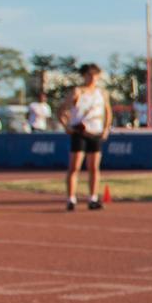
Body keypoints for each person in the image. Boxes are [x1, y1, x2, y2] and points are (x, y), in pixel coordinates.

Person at [63, 63, 112, 211]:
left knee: (94, 167)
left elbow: (108, 111)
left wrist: (106, 128)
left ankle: (93, 198)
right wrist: (67, 126)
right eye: (89, 75)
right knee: (75, 167)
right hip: (79, 133)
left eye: (95, 75)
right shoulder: (78, 92)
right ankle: (71, 199)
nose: (92, 78)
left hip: (95, 132)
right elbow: (61, 110)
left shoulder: (102, 93)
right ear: (84, 76)